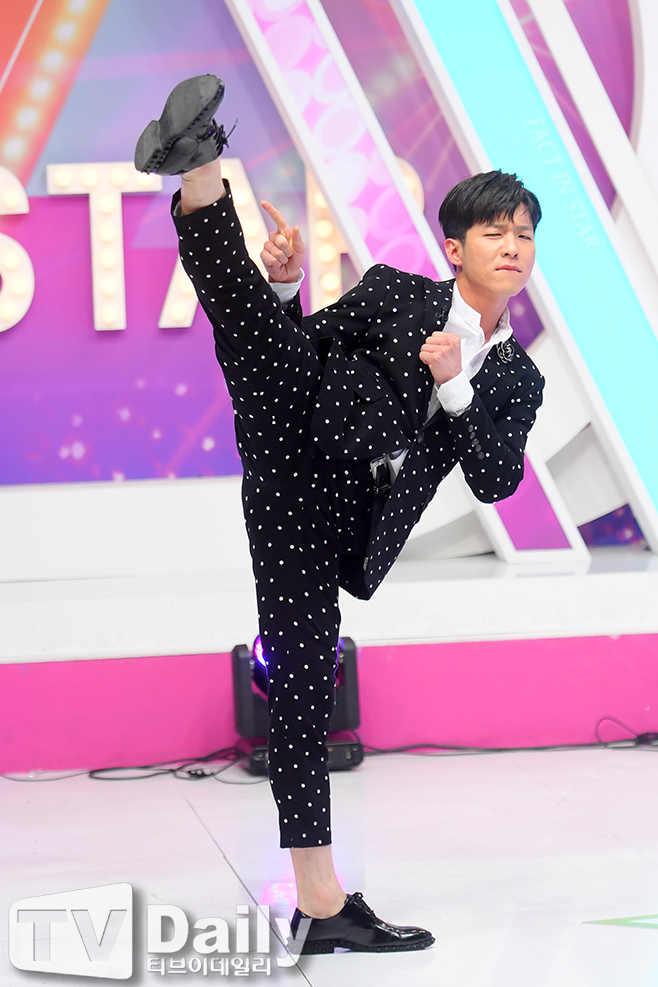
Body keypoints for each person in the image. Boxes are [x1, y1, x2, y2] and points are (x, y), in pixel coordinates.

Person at [135, 74, 544, 955]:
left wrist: (456, 387)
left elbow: (496, 480)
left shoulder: (517, 378)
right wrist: (288, 292)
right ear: (455, 246)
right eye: (494, 232)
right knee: (257, 331)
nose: (511, 247)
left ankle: (320, 902)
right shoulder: (397, 290)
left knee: (305, 683)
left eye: (523, 235)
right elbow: (310, 344)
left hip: (333, 517)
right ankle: (198, 170)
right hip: (301, 426)